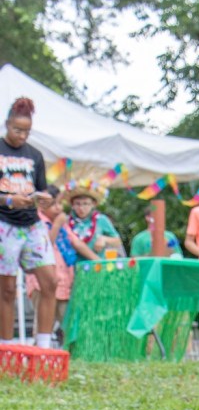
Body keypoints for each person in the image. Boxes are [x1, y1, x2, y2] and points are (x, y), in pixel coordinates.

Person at [0, 96, 57, 348]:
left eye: (27, 131)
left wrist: (44, 198)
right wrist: (10, 201)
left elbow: (42, 189)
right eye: (17, 129)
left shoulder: (35, 155)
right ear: (6, 124)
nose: (22, 136)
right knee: (8, 289)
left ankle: (43, 346)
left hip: (32, 224)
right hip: (5, 224)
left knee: (51, 282)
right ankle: (6, 347)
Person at [24, 185, 99, 343]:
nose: (59, 208)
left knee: (68, 321)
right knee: (44, 322)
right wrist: (56, 225)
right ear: (41, 205)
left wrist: (99, 261)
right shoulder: (37, 222)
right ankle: (39, 355)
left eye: (59, 203)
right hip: (42, 283)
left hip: (64, 282)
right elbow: (44, 246)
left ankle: (70, 354)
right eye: (54, 204)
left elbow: (77, 243)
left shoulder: (62, 224)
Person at [66, 187, 125, 260]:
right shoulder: (66, 221)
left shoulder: (101, 219)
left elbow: (118, 241)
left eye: (86, 204)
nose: (81, 208)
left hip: (96, 266)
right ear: (72, 205)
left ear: (93, 204)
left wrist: (104, 239)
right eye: (77, 204)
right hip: (73, 266)